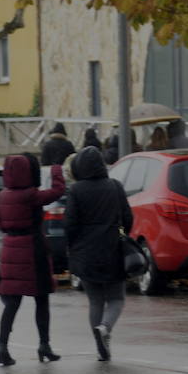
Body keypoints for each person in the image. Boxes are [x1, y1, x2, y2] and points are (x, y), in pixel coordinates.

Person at [0, 154, 67, 366]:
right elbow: (58, 191)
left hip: (10, 249)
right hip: (33, 249)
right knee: (41, 299)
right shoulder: (30, 195)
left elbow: (1, 224)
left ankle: (2, 346)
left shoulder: (2, 196)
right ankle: (44, 345)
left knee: (12, 302)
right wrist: (56, 169)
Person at [64, 145, 134, 362]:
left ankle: (99, 346)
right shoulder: (115, 186)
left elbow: (70, 224)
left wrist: (73, 247)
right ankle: (105, 327)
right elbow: (128, 218)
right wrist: (122, 234)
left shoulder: (76, 190)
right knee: (116, 298)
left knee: (95, 301)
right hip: (113, 249)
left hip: (86, 253)